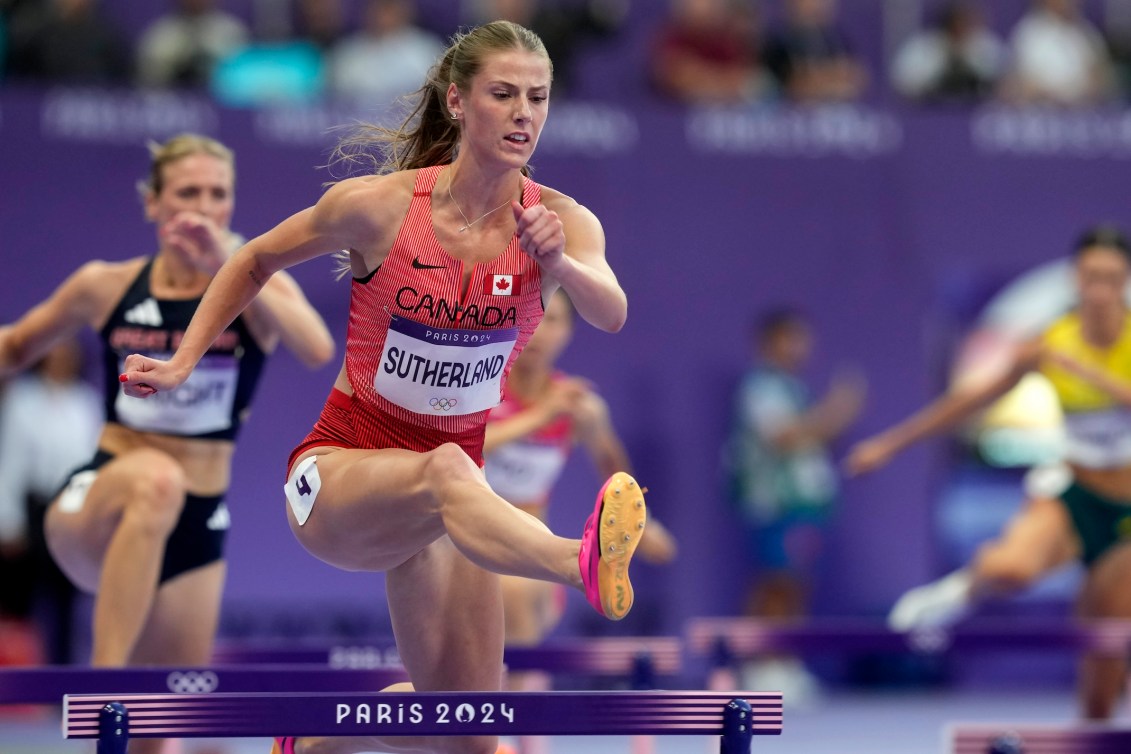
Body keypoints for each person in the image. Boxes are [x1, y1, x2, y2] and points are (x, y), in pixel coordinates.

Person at [118, 21, 648, 754]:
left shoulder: (561, 222)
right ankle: (576, 560)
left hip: (447, 504)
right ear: (458, 102)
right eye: (503, 94)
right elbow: (254, 261)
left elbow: (610, 311)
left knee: (466, 732)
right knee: (449, 470)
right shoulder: (377, 207)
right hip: (337, 476)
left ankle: (312, 740)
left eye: (538, 96)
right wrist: (181, 361)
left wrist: (561, 265)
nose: (524, 112)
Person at [0, 134, 335, 753]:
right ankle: (103, 689)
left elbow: (316, 349)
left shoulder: (255, 291)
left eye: (217, 195)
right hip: (100, 501)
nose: (202, 208)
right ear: (152, 204)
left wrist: (229, 263)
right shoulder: (106, 286)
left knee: (166, 724)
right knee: (156, 480)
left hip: (196, 523)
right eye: (187, 193)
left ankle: (131, 711)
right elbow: (17, 347)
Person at [845, 225, 1131, 719]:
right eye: (1091, 277)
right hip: (1074, 490)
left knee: (1104, 661)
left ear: (1125, 280)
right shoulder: (1050, 342)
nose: (1101, 290)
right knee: (1010, 568)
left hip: (1126, 513)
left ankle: (1095, 724)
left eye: (1111, 278)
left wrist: (1085, 371)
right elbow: (970, 400)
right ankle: (956, 592)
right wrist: (891, 444)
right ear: (1075, 279)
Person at [483, 289, 675, 674]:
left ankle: (512, 727)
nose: (537, 331)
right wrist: (540, 416)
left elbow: (612, 467)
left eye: (551, 321)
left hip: (529, 552)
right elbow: (462, 445)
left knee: (515, 596)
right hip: (465, 545)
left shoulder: (580, 408)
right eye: (529, 318)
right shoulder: (481, 386)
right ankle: (501, 721)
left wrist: (645, 523)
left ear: (567, 332)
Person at [727, 308, 864, 702]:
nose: (801, 347)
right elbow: (787, 437)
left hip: (806, 503)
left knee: (797, 584)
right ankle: (758, 663)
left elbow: (809, 437)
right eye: (791, 338)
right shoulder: (760, 388)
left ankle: (784, 661)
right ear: (768, 342)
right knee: (774, 582)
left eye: (804, 338)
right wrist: (837, 409)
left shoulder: (793, 388)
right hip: (775, 503)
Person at [0, 338, 101, 665]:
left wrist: (93, 514)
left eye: (68, 353)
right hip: (33, 508)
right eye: (54, 353)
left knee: (67, 601)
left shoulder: (86, 401)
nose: (61, 359)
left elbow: (93, 459)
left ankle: (62, 683)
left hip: (73, 506)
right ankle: (20, 686)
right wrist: (8, 520)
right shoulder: (23, 399)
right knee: (21, 600)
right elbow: (11, 460)